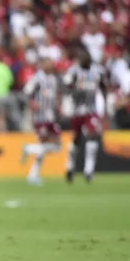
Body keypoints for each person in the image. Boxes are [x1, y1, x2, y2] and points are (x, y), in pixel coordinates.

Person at [63, 49, 107, 183]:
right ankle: (70, 166)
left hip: (91, 110)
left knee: (92, 135)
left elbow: (103, 87)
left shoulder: (97, 72)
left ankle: (89, 170)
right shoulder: (74, 71)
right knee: (76, 138)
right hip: (77, 110)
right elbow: (66, 85)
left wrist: (103, 107)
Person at [20, 57, 61, 185]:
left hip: (50, 117)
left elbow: (54, 95)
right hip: (40, 117)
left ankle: (29, 149)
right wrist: (32, 103)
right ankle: (33, 175)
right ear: (42, 64)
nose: (51, 64)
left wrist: (57, 104)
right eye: (48, 62)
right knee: (43, 144)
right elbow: (26, 91)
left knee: (56, 146)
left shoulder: (53, 79)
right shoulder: (37, 78)